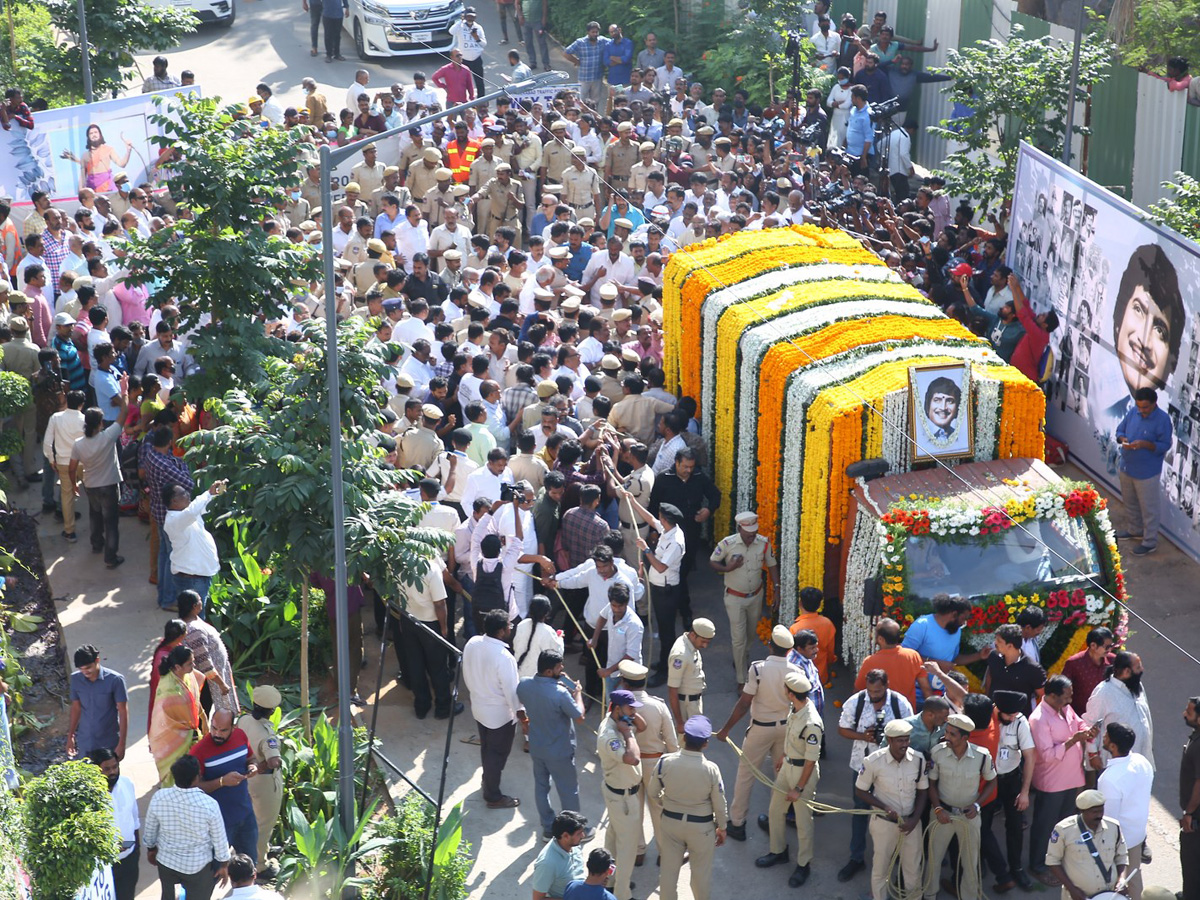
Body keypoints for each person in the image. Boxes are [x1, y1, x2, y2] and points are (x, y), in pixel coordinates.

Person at [717, 625, 800, 841]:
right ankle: (775, 822)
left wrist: (725, 729)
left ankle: (737, 822)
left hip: (761, 728)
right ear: (789, 651)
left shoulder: (758, 669)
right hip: (785, 728)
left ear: (770, 645)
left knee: (746, 775)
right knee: (780, 777)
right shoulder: (796, 672)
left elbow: (744, 703)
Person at [836, 668, 913, 882]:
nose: (873, 695)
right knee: (860, 811)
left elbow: (910, 732)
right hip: (862, 765)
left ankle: (897, 856)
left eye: (878, 691)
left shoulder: (900, 704)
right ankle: (856, 857)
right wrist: (864, 736)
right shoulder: (855, 702)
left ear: (887, 687)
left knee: (896, 811)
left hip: (893, 769)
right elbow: (842, 729)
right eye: (870, 691)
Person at [1029, 675, 1099, 886]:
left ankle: (1057, 861)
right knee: (1045, 826)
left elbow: (1078, 723)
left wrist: (1086, 731)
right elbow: (1047, 755)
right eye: (1066, 697)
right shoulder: (1039, 719)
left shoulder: (1065, 708)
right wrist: (1073, 741)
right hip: (1052, 783)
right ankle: (1038, 865)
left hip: (1072, 778)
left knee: (1066, 824)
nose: (1070, 701)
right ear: (1051, 696)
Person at [755, 671, 823, 888]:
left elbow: (811, 760)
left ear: (791, 694)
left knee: (803, 822)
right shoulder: (797, 709)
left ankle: (804, 864)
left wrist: (799, 788)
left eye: (786, 689)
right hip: (789, 767)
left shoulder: (811, 722)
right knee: (776, 810)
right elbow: (793, 737)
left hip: (803, 773)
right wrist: (785, 756)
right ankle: (778, 851)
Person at [652, 715, 727, 900]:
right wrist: (722, 828)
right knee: (700, 876)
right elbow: (719, 803)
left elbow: (653, 793)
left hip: (671, 823)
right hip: (701, 828)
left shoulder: (665, 762)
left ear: (684, 738)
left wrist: (666, 802)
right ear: (706, 744)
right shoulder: (711, 769)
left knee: (668, 874)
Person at [925, 712, 997, 900]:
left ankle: (969, 896)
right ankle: (929, 894)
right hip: (942, 814)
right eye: (947, 732)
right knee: (934, 859)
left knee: (970, 862)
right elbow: (931, 784)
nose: (946, 737)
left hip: (969, 816)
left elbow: (992, 781)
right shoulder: (938, 752)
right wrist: (938, 809)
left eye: (952, 734)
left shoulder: (982, 756)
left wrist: (977, 805)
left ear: (965, 738)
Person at [854, 719, 928, 900]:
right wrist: (884, 807)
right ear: (889, 740)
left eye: (907, 739)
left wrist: (915, 819)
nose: (905, 744)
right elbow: (860, 791)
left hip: (911, 823)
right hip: (884, 825)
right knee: (881, 869)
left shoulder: (918, 760)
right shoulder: (873, 761)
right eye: (900, 740)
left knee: (912, 870)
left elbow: (923, 792)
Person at [517, 650, 586, 836]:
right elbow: (579, 716)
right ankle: (574, 831)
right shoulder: (561, 694)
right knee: (568, 791)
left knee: (541, 787)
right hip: (560, 751)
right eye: (558, 667)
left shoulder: (524, 685)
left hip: (537, 746)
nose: (562, 668)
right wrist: (577, 693)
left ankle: (548, 828)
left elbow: (526, 701)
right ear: (549, 671)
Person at [462, 610, 527, 809]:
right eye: (509, 625)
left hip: (479, 708)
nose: (511, 628)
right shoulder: (504, 658)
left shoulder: (472, 643)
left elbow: (466, 672)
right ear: (500, 632)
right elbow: (512, 693)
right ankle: (492, 796)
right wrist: (522, 716)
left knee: (487, 749)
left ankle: (487, 780)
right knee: (496, 755)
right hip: (500, 716)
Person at [144, 754, 231, 900]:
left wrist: (151, 849)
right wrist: (223, 865)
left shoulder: (159, 797)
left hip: (166, 863)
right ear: (197, 777)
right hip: (198, 868)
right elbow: (219, 839)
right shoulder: (209, 805)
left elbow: (150, 830)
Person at [709, 511, 779, 685]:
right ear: (740, 529)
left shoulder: (763, 543)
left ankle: (740, 657)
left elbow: (772, 565)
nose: (751, 538)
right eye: (748, 536)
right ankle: (742, 680)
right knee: (738, 638)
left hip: (755, 596)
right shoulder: (727, 544)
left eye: (754, 534)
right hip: (734, 598)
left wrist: (777, 589)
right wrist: (728, 568)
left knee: (750, 634)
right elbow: (713, 561)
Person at [980, 691, 1037, 893]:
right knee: (982, 824)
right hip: (988, 781)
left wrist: (1024, 792)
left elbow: (1030, 756)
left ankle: (1016, 868)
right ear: (998, 709)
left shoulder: (1020, 721)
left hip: (1010, 780)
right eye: (1009, 715)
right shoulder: (984, 716)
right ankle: (982, 862)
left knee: (1014, 825)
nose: (1013, 718)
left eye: (1015, 714)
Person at [69, 385, 129, 569]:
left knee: (95, 515)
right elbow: (124, 412)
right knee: (111, 522)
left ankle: (96, 544)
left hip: (91, 485)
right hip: (109, 485)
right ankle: (111, 557)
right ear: (100, 423)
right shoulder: (108, 436)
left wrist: (74, 485)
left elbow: (71, 468)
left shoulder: (78, 444)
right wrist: (124, 391)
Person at [191, 708, 260, 862]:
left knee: (250, 865)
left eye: (223, 730)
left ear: (233, 728)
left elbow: (251, 758)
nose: (217, 734)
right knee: (214, 871)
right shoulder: (199, 751)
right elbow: (192, 788)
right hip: (218, 824)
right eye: (214, 728)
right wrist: (221, 781)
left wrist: (253, 766)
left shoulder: (241, 736)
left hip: (246, 815)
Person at [595, 689, 643, 900]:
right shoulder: (611, 735)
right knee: (627, 849)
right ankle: (622, 895)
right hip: (622, 798)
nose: (633, 712)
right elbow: (632, 758)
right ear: (616, 708)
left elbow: (644, 726)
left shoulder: (618, 721)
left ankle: (612, 882)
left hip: (619, 794)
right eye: (630, 708)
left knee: (613, 842)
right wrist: (628, 733)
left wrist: (630, 716)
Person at [1097, 722, 1153, 900]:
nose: (1103, 738)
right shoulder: (1142, 762)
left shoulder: (1110, 779)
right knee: (1134, 876)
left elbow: (1108, 819)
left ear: (1113, 746)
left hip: (1118, 842)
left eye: (1106, 736)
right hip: (1137, 834)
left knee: (1111, 882)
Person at [1114, 386, 1172, 556]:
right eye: (1139, 406)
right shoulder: (1134, 412)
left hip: (1147, 472)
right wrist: (1123, 438)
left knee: (1149, 509)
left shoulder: (1163, 420)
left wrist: (1146, 445)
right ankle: (1134, 530)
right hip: (1127, 466)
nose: (1141, 410)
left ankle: (1149, 542)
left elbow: (1165, 445)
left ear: (1154, 403)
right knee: (1130, 502)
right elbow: (1120, 430)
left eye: (1145, 407)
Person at [1045, 790, 1130, 900]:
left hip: (1109, 895)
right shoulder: (1064, 830)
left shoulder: (1114, 827)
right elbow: (1052, 861)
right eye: (1094, 812)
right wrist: (1071, 889)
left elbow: (1122, 856)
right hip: (1077, 896)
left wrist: (1121, 879)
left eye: (1101, 810)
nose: (1099, 815)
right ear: (1082, 811)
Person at [237, 685, 284, 873]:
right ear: (271, 711)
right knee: (264, 823)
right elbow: (273, 761)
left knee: (253, 819)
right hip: (265, 783)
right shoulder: (267, 735)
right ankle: (260, 865)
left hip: (249, 780)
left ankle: (261, 849)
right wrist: (275, 761)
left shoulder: (244, 720)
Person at [149, 644, 210, 785]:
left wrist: (203, 717)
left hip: (190, 734)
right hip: (174, 739)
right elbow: (167, 720)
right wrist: (190, 734)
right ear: (177, 667)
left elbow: (193, 699)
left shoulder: (187, 676)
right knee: (176, 775)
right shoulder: (169, 690)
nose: (194, 666)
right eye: (190, 663)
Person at [1085, 650, 1154, 771]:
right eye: (1138, 667)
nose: (1142, 669)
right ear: (1127, 672)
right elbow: (1089, 724)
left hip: (1142, 761)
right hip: (1115, 764)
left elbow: (1145, 716)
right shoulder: (1103, 692)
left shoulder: (1137, 685)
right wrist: (1093, 754)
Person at [162, 478, 225, 605]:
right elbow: (192, 511)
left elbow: (200, 508)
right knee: (194, 619)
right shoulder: (174, 520)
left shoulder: (185, 514)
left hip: (197, 576)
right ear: (174, 500)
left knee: (194, 619)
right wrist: (207, 493)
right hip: (192, 579)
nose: (188, 495)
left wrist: (211, 494)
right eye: (183, 493)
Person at [89, 747, 140, 900]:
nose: (112, 772)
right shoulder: (90, 796)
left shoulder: (127, 783)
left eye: (115, 767)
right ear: (97, 770)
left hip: (129, 859)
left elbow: (135, 819)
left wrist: (136, 849)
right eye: (107, 769)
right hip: (105, 866)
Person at [180, 589, 238, 716]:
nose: (202, 602)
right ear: (195, 606)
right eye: (200, 600)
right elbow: (204, 662)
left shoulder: (193, 623)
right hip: (206, 682)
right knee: (202, 711)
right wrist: (221, 684)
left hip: (209, 678)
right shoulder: (194, 630)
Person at [68, 644, 128, 760]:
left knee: (108, 775)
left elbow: (123, 712)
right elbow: (76, 708)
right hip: (85, 741)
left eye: (88, 667)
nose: (85, 672)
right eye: (81, 669)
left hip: (108, 741)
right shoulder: (76, 679)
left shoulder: (115, 680)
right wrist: (71, 735)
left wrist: (122, 744)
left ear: (97, 660)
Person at [855, 617, 930, 707]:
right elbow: (925, 688)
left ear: (880, 639)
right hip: (906, 715)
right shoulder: (913, 656)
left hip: (879, 715)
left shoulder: (870, 661)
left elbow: (858, 691)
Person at [983, 623, 1047, 716]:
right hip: (994, 717)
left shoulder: (1032, 668)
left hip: (1017, 721)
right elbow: (990, 678)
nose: (995, 643)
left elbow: (1043, 696)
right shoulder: (994, 656)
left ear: (1010, 646)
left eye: (999, 641)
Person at [666, 619, 714, 733]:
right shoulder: (681, 655)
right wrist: (680, 722)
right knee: (689, 741)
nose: (705, 646)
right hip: (687, 705)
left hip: (694, 701)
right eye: (703, 641)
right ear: (693, 635)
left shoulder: (690, 643)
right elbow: (672, 689)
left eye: (708, 642)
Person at [532, 811, 589, 900]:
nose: (583, 836)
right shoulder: (547, 864)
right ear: (565, 836)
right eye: (579, 833)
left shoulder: (574, 844)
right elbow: (537, 899)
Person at [1060, 626, 1115, 715]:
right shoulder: (1074, 663)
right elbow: (1062, 691)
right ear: (1093, 645)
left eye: (1111, 646)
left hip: (1107, 716)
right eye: (1107, 647)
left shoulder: (1113, 661)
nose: (1109, 650)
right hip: (1080, 717)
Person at [789, 587, 837, 684]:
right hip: (820, 674)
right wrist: (829, 667)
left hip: (800, 677)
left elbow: (791, 656)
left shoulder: (795, 628)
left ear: (800, 603)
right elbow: (830, 653)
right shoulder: (828, 624)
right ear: (819, 605)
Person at [1180, 696, 1200, 900]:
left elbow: (1199, 782)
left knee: (1192, 866)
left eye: (1189, 712)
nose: (1184, 714)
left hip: (1196, 820)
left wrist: (1189, 813)